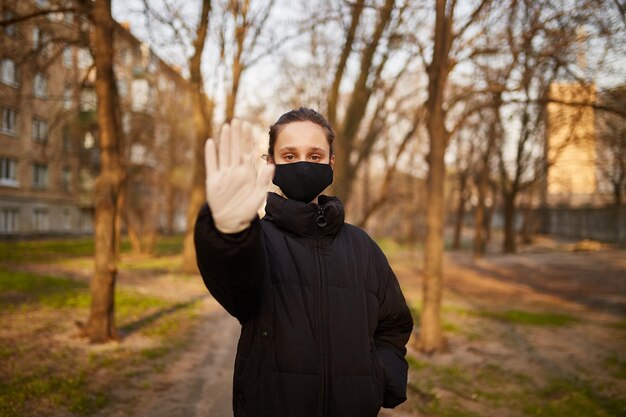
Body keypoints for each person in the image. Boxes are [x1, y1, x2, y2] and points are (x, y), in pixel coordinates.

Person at [194, 108, 414, 417]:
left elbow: (394, 325)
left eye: (314, 156)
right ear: (270, 163)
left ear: (331, 162)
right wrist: (229, 232)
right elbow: (234, 286)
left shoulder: (362, 247)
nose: (302, 165)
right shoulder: (256, 241)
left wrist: (379, 380)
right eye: (289, 155)